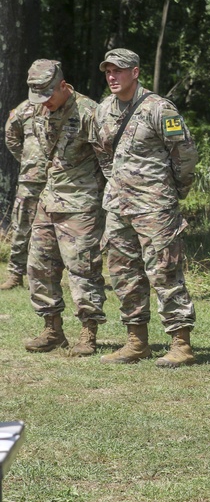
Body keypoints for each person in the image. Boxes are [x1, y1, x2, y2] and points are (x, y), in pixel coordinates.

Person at [93, 48, 198, 367]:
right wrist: (118, 181)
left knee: (164, 270)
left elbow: (185, 153)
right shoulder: (103, 110)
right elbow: (101, 151)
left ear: (135, 72)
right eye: (108, 71)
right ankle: (136, 341)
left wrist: (171, 191)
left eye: (119, 71)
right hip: (118, 205)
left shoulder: (159, 109)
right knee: (122, 272)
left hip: (155, 207)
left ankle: (181, 344)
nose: (112, 76)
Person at [18, 60, 107, 356]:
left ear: (64, 86)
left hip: (81, 203)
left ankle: (87, 333)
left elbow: (108, 158)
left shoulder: (90, 112)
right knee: (39, 266)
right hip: (49, 198)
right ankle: (52, 329)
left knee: (83, 268)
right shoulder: (38, 110)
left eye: (48, 95)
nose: (44, 102)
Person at [2, 98, 46, 291]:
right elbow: (10, 134)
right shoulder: (25, 108)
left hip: (62, 179)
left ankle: (57, 275)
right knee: (22, 226)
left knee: (61, 230)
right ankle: (15, 274)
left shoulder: (67, 106)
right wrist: (26, 158)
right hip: (30, 179)